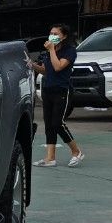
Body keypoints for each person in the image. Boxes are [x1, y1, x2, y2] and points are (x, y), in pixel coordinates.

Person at [28, 23, 85, 167]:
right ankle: (50, 158)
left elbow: (58, 67)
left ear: (64, 36)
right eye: (51, 33)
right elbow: (46, 70)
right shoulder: (48, 52)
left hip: (62, 90)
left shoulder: (69, 51)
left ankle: (76, 151)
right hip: (48, 90)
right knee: (49, 124)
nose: (52, 36)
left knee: (58, 123)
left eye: (56, 34)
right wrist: (32, 65)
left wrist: (52, 49)